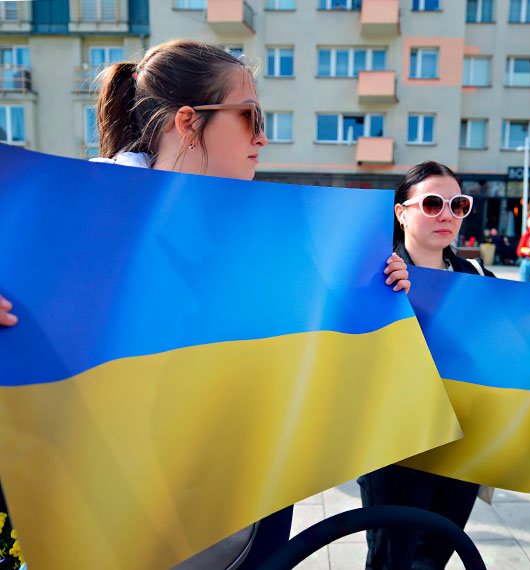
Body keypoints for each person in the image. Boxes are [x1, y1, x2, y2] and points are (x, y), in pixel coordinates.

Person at [0, 39, 410, 569]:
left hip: (247, 519)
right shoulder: (72, 226)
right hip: (123, 527)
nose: (263, 137)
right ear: (189, 122)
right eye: (250, 116)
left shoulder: (264, 234)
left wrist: (380, 288)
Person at [358, 161, 530, 570]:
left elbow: (514, 337)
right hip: (397, 452)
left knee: (434, 556)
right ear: (401, 212)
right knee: (390, 561)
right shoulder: (373, 276)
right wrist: (383, 293)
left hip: (461, 449)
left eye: (458, 205)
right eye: (433, 203)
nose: (447, 215)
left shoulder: (473, 273)